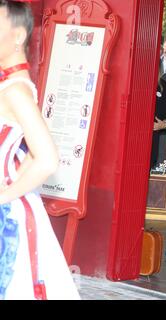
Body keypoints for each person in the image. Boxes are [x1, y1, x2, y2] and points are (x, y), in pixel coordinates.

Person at [0, 1, 80, 300]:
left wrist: (5, 195)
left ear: (18, 35)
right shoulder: (12, 86)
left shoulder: (15, 90)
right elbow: (30, 154)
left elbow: (46, 158)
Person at [150, 77, 166, 170]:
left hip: (152, 139)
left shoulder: (162, 84)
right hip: (131, 137)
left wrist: (164, 124)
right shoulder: (133, 79)